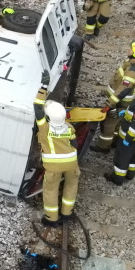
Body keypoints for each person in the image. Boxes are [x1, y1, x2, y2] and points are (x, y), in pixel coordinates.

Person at [34, 82, 79, 226]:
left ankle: (51, 218)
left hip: (53, 166)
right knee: (71, 185)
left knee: (51, 190)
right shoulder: (69, 127)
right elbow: (74, 144)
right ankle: (67, 213)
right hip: (72, 162)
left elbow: (37, 106)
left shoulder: (45, 128)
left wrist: (43, 87)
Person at [92, 40, 135, 152]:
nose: (128, 50)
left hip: (120, 102)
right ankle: (115, 141)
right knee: (118, 122)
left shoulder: (132, 71)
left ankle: (103, 146)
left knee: (109, 124)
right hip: (122, 102)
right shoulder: (131, 63)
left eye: (131, 49)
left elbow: (123, 90)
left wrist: (109, 104)